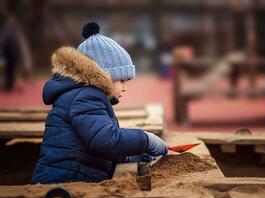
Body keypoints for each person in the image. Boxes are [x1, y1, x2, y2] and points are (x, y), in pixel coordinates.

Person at [31, 22, 168, 184]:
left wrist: (127, 156)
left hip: (73, 174)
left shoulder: (84, 95)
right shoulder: (85, 97)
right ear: (104, 77)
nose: (124, 87)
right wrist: (145, 139)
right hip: (65, 180)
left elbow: (92, 145)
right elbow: (105, 140)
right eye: (122, 80)